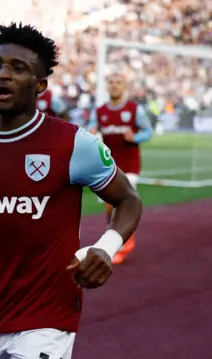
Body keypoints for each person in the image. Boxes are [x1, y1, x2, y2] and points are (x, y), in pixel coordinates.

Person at [0, 23, 143, 359]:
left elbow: (128, 199)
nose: (2, 75)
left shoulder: (74, 143)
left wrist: (106, 246)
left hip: (48, 318)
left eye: (18, 68)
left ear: (40, 85)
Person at [88, 73, 153, 264]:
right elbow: (92, 127)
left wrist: (136, 138)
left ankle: (123, 242)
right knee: (110, 207)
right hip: (107, 165)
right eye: (111, 82)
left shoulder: (134, 109)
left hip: (129, 165)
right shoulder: (99, 111)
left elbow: (148, 131)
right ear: (107, 86)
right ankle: (120, 237)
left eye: (118, 83)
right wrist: (91, 131)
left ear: (124, 86)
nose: (114, 86)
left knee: (118, 203)